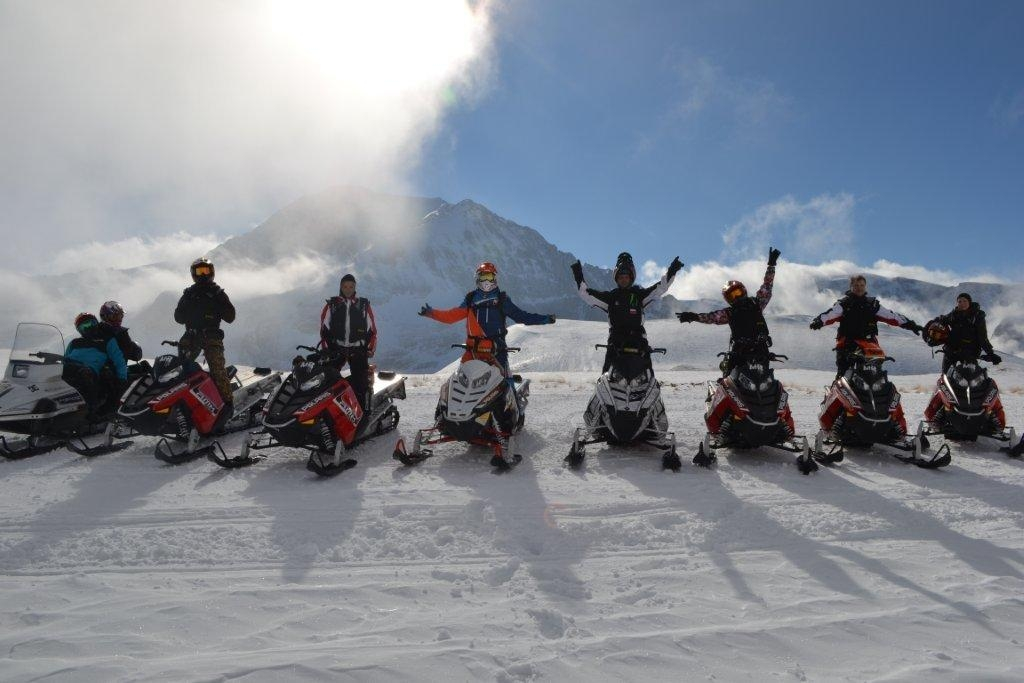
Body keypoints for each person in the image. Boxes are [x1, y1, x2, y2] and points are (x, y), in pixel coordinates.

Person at [418, 261, 555, 392]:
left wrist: (544, 319)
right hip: (473, 350)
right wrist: (432, 313)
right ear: (478, 278)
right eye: (483, 276)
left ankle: (514, 412)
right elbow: (452, 316)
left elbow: (522, 316)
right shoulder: (470, 299)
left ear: (495, 279)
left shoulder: (502, 300)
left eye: (490, 276)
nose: (487, 281)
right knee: (460, 382)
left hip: (497, 349)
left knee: (505, 384)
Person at [571, 252, 683, 372]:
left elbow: (661, 287)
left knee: (648, 373)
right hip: (615, 341)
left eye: (626, 277)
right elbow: (586, 294)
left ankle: (649, 388)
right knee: (606, 374)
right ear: (616, 278)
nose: (623, 280)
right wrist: (578, 274)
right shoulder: (611, 297)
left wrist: (672, 270)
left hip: (639, 340)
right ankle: (603, 388)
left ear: (631, 278)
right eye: (621, 277)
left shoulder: (639, 295)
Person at [677, 247, 780, 375]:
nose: (737, 297)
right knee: (727, 380)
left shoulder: (756, 304)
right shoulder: (730, 313)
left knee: (766, 382)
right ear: (728, 299)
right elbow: (712, 317)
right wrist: (694, 316)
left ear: (743, 290)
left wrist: (771, 265)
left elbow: (767, 286)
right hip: (739, 354)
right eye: (732, 295)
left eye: (738, 292)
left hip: (761, 351)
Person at [809, 274, 923, 377]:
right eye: (856, 285)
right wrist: (819, 321)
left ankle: (875, 399)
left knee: (874, 376)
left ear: (865, 286)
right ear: (851, 287)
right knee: (843, 377)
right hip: (847, 345)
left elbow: (891, 316)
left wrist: (909, 324)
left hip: (870, 347)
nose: (859, 288)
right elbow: (830, 315)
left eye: (862, 285)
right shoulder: (844, 304)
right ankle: (834, 399)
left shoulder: (872, 305)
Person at [173, 258, 236, 413]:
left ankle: (228, 407)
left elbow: (230, 316)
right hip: (191, 335)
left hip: (211, 336)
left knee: (217, 369)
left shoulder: (217, 293)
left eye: (205, 271)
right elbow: (178, 317)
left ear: (211, 272)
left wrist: (218, 304)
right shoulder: (189, 294)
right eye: (199, 271)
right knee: (180, 368)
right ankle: (181, 404)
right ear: (193, 274)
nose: (202, 275)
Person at [319, 273, 377, 413]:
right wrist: (326, 350)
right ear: (340, 287)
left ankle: (362, 415)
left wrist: (370, 349)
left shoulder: (363, 305)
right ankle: (328, 413)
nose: (348, 289)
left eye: (351, 286)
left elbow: (372, 330)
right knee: (328, 381)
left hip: (357, 350)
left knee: (360, 384)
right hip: (336, 349)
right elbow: (324, 330)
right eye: (345, 286)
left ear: (355, 287)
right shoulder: (332, 305)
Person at [63, 312, 128, 420]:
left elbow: (119, 360)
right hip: (71, 367)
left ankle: (90, 412)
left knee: (85, 375)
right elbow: (65, 359)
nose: (89, 328)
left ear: (97, 323)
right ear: (79, 330)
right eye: (84, 326)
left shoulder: (107, 340)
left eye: (91, 323)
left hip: (89, 371)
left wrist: (122, 379)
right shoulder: (74, 342)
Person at [925, 292, 1000, 374]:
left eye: (965, 301)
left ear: (969, 302)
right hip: (951, 349)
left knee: (971, 376)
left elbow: (982, 337)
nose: (962, 303)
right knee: (946, 376)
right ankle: (943, 386)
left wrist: (991, 354)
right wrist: (930, 336)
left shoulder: (977, 316)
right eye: (959, 301)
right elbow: (941, 320)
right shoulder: (954, 314)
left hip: (970, 352)